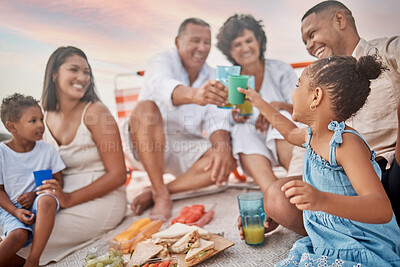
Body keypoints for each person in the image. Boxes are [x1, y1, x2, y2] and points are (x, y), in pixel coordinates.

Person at [239, 54, 400, 266]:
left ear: (315, 96)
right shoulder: (311, 134)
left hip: (362, 244)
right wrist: (258, 101)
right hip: (331, 239)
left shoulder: (346, 144)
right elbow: (288, 133)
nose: (292, 93)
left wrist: (321, 200)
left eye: (298, 85)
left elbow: (381, 209)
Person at [260, 0, 400, 237]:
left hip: (394, 172)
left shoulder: (387, 50)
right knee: (276, 195)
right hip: (343, 189)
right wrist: (288, 200)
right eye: (305, 41)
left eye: (312, 34)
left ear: (339, 20)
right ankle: (354, 235)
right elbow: (306, 145)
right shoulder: (317, 85)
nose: (309, 45)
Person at [17, 46, 127, 265]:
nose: (82, 77)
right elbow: (40, 165)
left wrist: (68, 199)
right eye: (74, 70)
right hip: (57, 197)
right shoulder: (43, 116)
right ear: (54, 74)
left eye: (86, 72)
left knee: (25, 239)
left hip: (100, 197)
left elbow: (118, 175)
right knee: (15, 226)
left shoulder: (96, 112)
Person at [125, 18, 236, 219]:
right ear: (178, 42)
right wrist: (196, 95)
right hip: (144, 143)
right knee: (145, 109)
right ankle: (160, 195)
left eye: (207, 42)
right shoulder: (162, 60)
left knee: (223, 156)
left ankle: (158, 191)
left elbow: (217, 121)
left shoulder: (213, 75)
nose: (202, 48)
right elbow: (161, 85)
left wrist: (222, 146)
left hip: (183, 147)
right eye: (195, 40)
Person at [216, 14, 297, 193]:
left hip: (287, 141)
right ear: (230, 51)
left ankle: (300, 179)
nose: (245, 48)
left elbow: (304, 110)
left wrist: (278, 107)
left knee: (280, 117)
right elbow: (221, 121)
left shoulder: (280, 70)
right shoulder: (231, 81)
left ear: (259, 41)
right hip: (254, 148)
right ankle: (271, 192)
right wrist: (234, 116)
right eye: (237, 44)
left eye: (249, 40)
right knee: (240, 131)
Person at [0, 93, 65, 266]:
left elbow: (58, 181)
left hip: (39, 202)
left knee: (47, 200)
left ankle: (33, 261)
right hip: (10, 208)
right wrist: (15, 211)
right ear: (12, 127)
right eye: (33, 121)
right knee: (18, 235)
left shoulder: (47, 150)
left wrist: (35, 193)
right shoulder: (2, 153)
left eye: (41, 119)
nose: (40, 125)